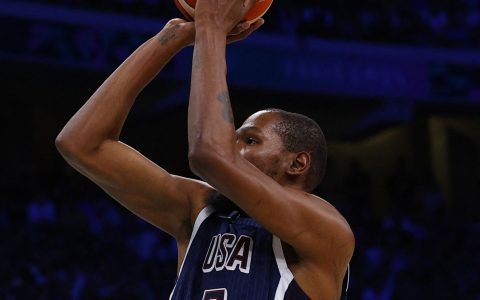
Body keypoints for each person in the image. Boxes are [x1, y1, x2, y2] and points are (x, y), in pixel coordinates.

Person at [55, 0, 354, 299]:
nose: (232, 146)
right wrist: (172, 37)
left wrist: (212, 26)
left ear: (297, 163)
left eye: (250, 141)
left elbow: (209, 154)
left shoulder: (326, 230)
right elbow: (81, 143)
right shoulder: (200, 209)